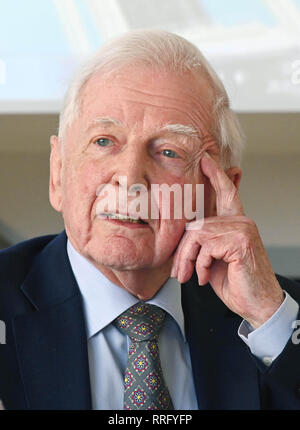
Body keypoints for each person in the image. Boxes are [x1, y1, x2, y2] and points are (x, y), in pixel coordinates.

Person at [0, 30, 299, 411]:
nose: (130, 178)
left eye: (169, 151)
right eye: (104, 141)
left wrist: (266, 315)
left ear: (217, 195)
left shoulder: (278, 317)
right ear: (57, 173)